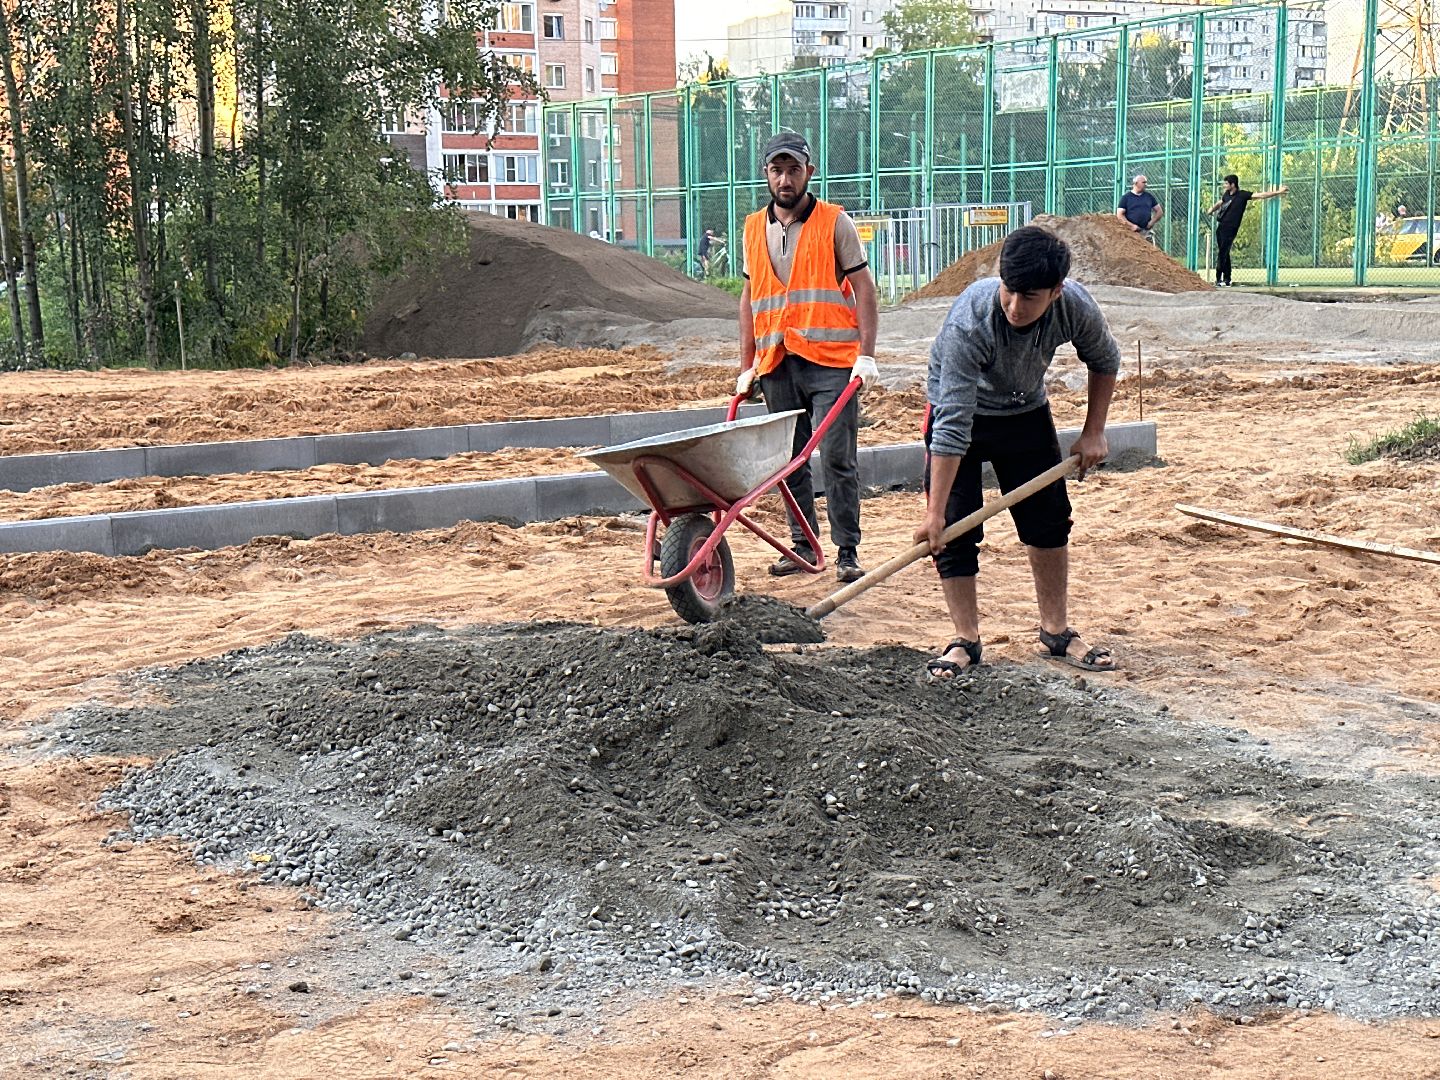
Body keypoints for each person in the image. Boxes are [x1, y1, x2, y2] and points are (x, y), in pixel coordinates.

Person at [917, 224, 1120, 680]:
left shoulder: (1076, 308)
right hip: (958, 410)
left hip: (1024, 408)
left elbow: (1105, 359)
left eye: (1029, 297)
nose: (1014, 306)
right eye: (1008, 292)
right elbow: (951, 427)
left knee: (1048, 519)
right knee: (953, 527)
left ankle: (1056, 632)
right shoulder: (970, 322)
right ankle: (965, 641)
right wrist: (934, 514)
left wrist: (1093, 432)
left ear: (1056, 292)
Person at [736, 130, 880, 583]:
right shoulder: (751, 228)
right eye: (776, 170)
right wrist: (747, 365)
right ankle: (803, 545)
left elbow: (864, 289)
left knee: (837, 456)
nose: (785, 179)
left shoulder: (834, 223)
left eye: (793, 169)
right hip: (777, 360)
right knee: (788, 458)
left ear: (808, 172)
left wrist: (867, 354)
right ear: (766, 173)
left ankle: (847, 551)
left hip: (832, 361)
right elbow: (749, 298)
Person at [1206, 174, 1288, 287]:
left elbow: (1261, 195)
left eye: (1226, 183)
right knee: (1224, 252)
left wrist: (1278, 192)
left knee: (1222, 253)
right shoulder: (1226, 195)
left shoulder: (1242, 195)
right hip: (1221, 227)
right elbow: (1220, 202)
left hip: (1231, 228)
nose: (1224, 186)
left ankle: (1218, 279)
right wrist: (1211, 209)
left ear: (1233, 184)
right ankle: (1227, 278)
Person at [1116, 175, 1163, 243]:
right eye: (1144, 182)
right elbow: (1119, 215)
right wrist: (1131, 226)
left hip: (1146, 232)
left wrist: (1151, 223)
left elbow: (1159, 211)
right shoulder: (1126, 198)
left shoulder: (1149, 196)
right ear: (1136, 183)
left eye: (1146, 182)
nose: (1146, 184)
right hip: (1131, 233)